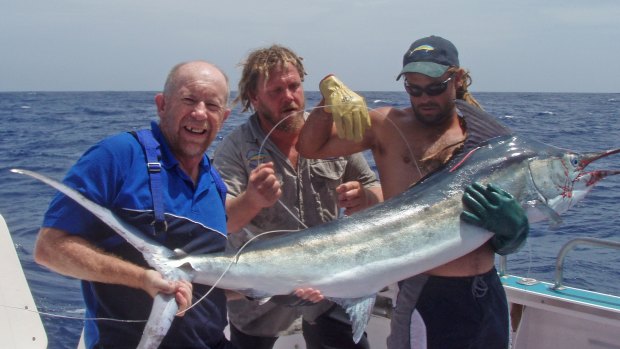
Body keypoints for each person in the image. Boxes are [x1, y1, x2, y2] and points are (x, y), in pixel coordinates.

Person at [297, 35, 528, 348]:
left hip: (487, 290)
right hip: (426, 293)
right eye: (413, 89)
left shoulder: (482, 136)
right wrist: (327, 105)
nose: (424, 98)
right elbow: (310, 147)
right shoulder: (387, 125)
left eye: (434, 87)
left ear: (457, 79)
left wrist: (514, 232)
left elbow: (505, 226)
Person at [34, 61, 235, 348]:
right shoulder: (117, 156)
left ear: (224, 117)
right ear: (162, 104)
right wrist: (141, 278)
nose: (200, 113)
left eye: (212, 105)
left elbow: (207, 285)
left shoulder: (215, 183)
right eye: (189, 100)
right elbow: (49, 248)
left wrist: (278, 288)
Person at [213, 45, 383, 349]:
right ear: (254, 98)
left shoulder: (329, 133)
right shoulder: (235, 149)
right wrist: (252, 199)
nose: (289, 97)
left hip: (326, 288)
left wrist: (366, 198)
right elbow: (221, 220)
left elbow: (376, 186)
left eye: (294, 86)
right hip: (259, 299)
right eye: (276, 91)